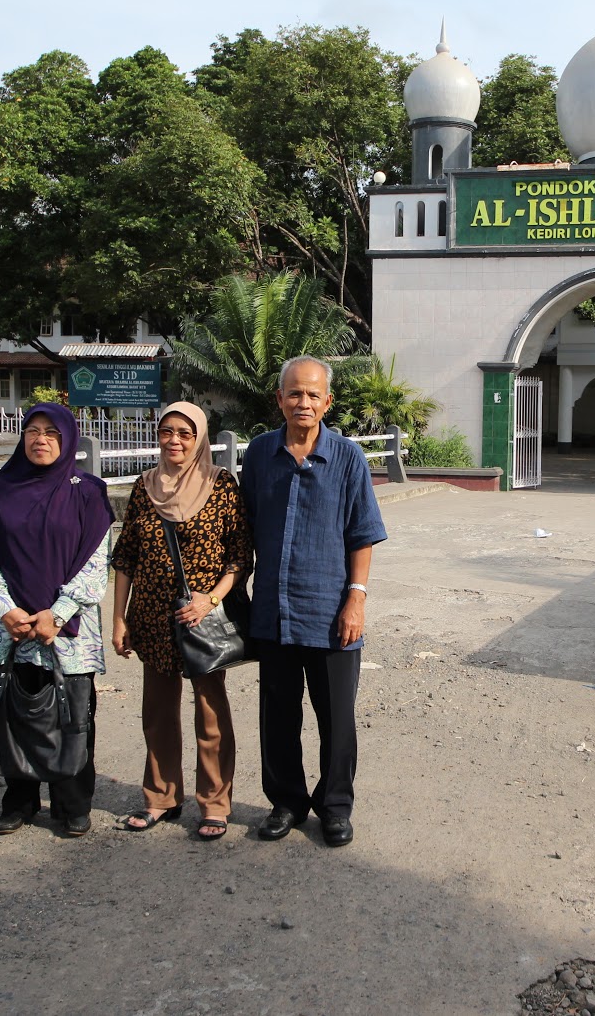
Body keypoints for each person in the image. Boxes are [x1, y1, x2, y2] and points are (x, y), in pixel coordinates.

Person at [239, 356, 386, 848]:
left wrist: (356, 600)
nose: (303, 402)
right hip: (274, 611)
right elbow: (244, 526)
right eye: (295, 393)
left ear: (328, 402)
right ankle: (286, 802)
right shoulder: (259, 454)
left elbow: (362, 534)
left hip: (331, 613)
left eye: (313, 395)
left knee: (337, 720)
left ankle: (335, 807)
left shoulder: (347, 458)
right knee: (278, 716)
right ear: (279, 399)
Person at [110, 401, 251, 840]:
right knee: (157, 712)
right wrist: (119, 619)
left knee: (210, 713)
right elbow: (126, 556)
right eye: (166, 431)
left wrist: (211, 600)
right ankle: (161, 797)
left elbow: (240, 556)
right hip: (152, 616)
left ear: (199, 438)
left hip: (199, 619)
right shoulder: (144, 486)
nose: (174, 440)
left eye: (185, 433)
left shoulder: (220, 484)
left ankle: (215, 803)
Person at [0, 404, 114, 837]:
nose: (41, 439)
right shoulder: (4, 487)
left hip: (66, 629)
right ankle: (20, 800)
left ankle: (72, 803)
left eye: (52, 432)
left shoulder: (88, 491)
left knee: (72, 714)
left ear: (67, 439)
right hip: (12, 627)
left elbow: (95, 562)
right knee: (14, 712)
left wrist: (58, 613)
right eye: (32, 431)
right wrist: (5, 608)